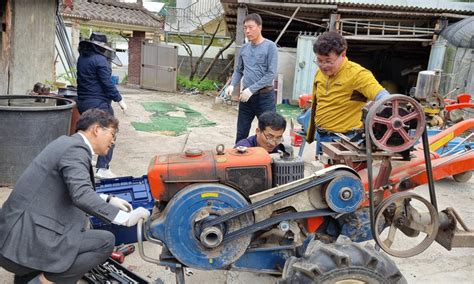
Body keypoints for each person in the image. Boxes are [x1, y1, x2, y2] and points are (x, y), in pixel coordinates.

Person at [0, 109, 150, 284]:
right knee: (104, 241)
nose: (113, 141)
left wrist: (107, 199)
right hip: (24, 245)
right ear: (96, 129)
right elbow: (81, 194)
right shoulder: (75, 150)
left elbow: (70, 188)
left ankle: (28, 278)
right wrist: (126, 218)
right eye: (112, 134)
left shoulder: (66, 144)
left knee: (80, 227)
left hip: (14, 239)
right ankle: (41, 282)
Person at [305, 31, 390, 157]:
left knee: (341, 175)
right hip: (321, 136)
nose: (323, 66)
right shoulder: (320, 74)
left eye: (329, 61)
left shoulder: (358, 75)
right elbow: (317, 103)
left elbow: (383, 97)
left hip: (344, 140)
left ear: (343, 55)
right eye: (319, 60)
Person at [77, 32, 127, 179]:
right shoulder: (100, 60)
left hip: (83, 103)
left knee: (89, 132)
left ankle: (88, 159)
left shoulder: (82, 58)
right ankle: (103, 168)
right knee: (109, 131)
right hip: (99, 104)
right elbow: (107, 84)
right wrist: (119, 99)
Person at [225, 13, 278, 143]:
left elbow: (271, 74)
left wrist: (251, 89)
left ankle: (267, 159)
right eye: (245, 28)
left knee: (269, 132)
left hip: (265, 98)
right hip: (246, 98)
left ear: (260, 27)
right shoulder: (244, 49)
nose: (247, 31)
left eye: (251, 27)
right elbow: (239, 70)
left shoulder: (270, 47)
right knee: (241, 132)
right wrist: (232, 84)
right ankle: (238, 159)